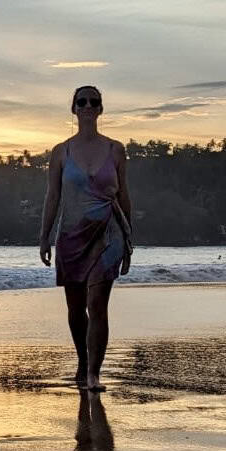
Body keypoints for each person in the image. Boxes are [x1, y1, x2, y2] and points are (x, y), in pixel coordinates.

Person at [39, 85, 133, 392]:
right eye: (83, 101)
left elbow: (125, 195)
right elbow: (52, 197)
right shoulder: (60, 152)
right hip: (71, 235)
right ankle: (82, 359)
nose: (88, 106)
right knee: (76, 309)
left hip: (109, 233)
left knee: (98, 303)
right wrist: (44, 237)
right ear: (74, 109)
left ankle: (94, 373)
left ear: (101, 109)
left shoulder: (116, 150)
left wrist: (129, 243)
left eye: (94, 101)